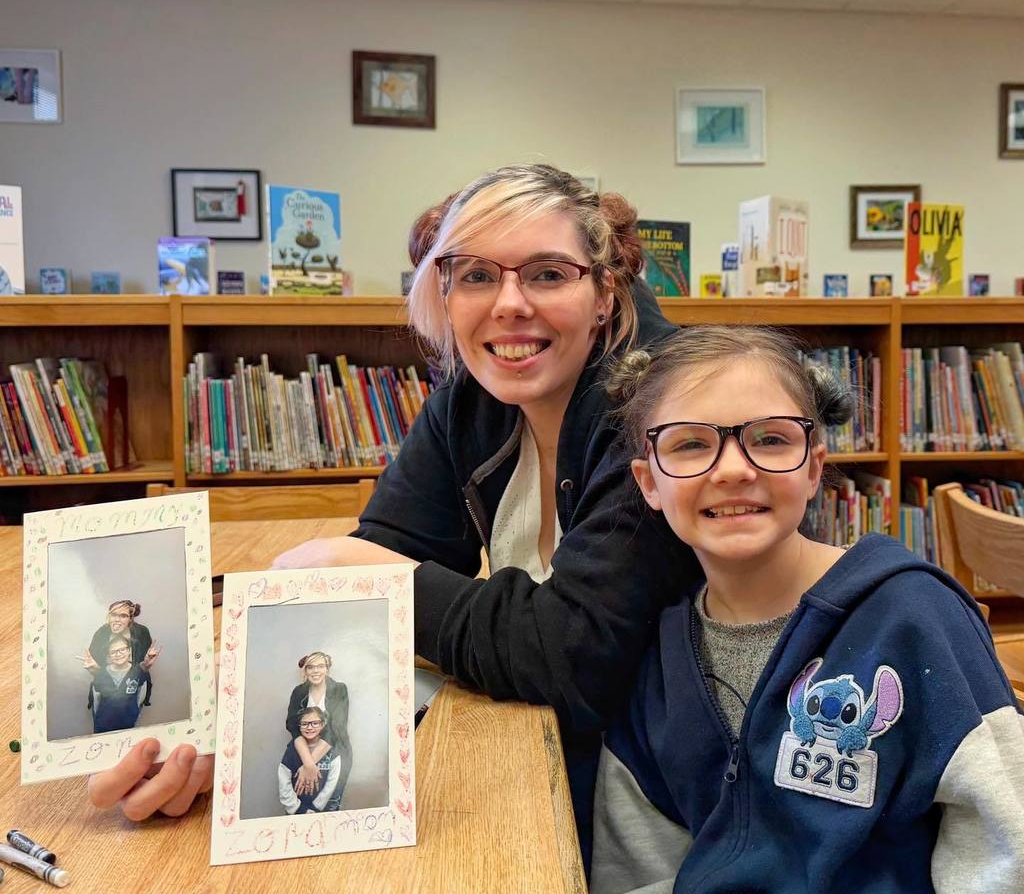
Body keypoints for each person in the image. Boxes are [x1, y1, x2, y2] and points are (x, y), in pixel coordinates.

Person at [87, 165, 699, 856]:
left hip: (664, 806)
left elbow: (574, 656)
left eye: (548, 274)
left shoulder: (670, 410)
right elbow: (380, 568)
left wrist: (383, 578)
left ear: (603, 290)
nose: (508, 304)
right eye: (474, 276)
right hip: (541, 754)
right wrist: (230, 731)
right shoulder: (473, 397)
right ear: (443, 291)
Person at [589, 325, 1024, 894]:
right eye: (690, 444)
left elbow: (1002, 839)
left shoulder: (914, 616)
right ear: (649, 482)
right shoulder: (657, 663)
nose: (733, 469)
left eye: (770, 440)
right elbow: (640, 866)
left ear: (814, 467)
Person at [284, 652, 352, 801]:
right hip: (303, 752)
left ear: (327, 669)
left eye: (320, 666)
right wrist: (308, 762)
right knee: (300, 801)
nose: (315, 671)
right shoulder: (298, 692)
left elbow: (336, 728)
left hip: (334, 753)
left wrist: (309, 765)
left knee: (328, 802)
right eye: (310, 667)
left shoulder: (340, 689)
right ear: (305, 671)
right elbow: (293, 726)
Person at [81, 635, 153, 734]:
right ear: (109, 655)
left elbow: (140, 699)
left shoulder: (137, 672)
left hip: (129, 727)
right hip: (102, 727)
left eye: (122, 649)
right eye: (113, 652)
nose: (118, 654)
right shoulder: (101, 673)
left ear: (129, 650)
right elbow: (96, 702)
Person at [278, 708, 344, 815]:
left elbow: (331, 783)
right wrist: (298, 808)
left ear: (323, 725)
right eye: (304, 724)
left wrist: (315, 808)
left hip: (321, 811)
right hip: (295, 811)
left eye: (315, 723)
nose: (309, 727)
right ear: (299, 726)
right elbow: (284, 782)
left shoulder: (333, 752)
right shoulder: (292, 750)